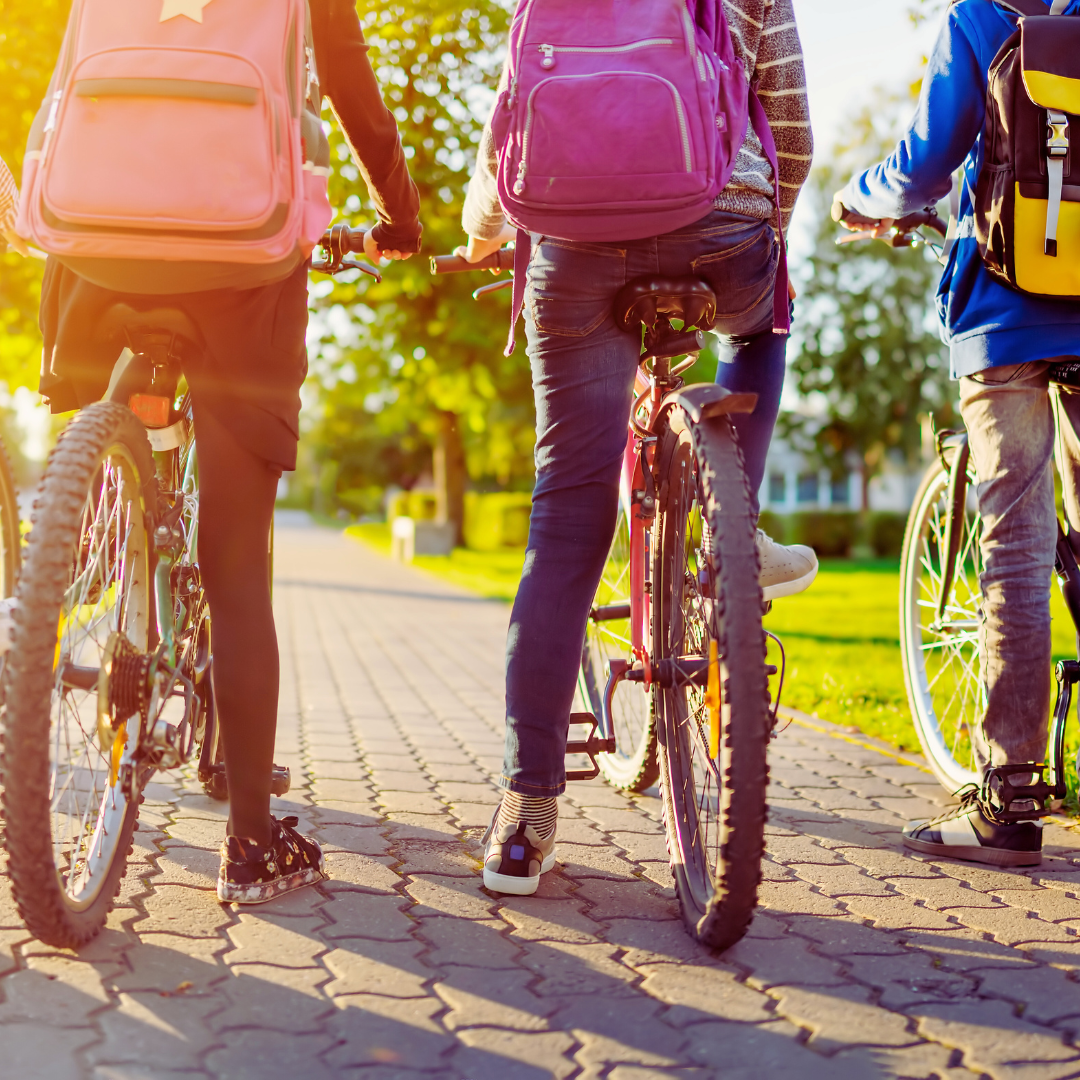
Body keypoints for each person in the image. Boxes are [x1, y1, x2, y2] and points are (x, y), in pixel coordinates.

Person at [17, 0, 422, 902]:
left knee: (86, 481)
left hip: (96, 242)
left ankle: (109, 535)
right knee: (236, 567)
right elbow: (350, 84)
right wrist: (401, 213)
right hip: (245, 259)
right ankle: (249, 846)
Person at [459, 0, 816, 895]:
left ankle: (526, 812)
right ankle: (734, 536)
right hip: (720, 221)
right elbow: (794, 128)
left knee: (567, 521)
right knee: (763, 324)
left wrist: (484, 231)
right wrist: (767, 218)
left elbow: (517, 96)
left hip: (575, 236)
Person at [835, 0, 1080, 868]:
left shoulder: (982, 17)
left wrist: (858, 199)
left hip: (1006, 319)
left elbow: (920, 168)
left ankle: (1007, 801)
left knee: (1015, 542)